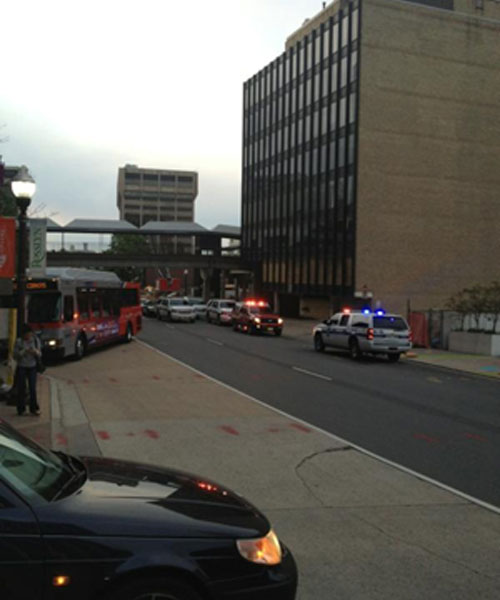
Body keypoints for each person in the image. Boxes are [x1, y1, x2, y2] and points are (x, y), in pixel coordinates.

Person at [13, 325, 41, 416]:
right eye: (26, 335)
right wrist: (24, 351)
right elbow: (15, 355)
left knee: (32, 388)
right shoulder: (19, 342)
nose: (28, 337)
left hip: (32, 367)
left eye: (29, 334)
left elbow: (40, 353)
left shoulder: (35, 341)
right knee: (21, 388)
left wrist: (35, 352)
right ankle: (21, 408)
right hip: (22, 367)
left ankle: (34, 408)